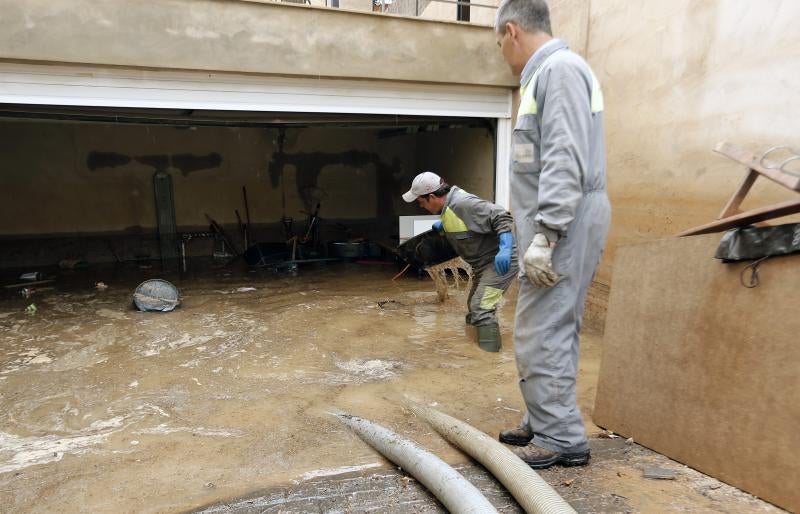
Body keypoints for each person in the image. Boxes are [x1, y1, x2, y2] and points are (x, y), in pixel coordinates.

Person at [494, 0, 611, 469]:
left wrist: (547, 234)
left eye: (499, 41)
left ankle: (561, 436)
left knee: (541, 327)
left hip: (564, 221)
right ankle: (543, 415)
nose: (501, 49)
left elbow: (564, 156)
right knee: (554, 322)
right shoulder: (551, 73)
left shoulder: (558, 71)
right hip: (564, 218)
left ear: (511, 30)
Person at [402, 171, 518, 352]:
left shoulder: (462, 204)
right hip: (483, 265)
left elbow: (501, 216)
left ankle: (490, 360)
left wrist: (505, 248)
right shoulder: (449, 207)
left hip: (500, 263)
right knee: (474, 304)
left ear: (432, 196)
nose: (421, 206)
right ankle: (475, 348)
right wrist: (445, 226)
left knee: (482, 307)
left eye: (421, 202)